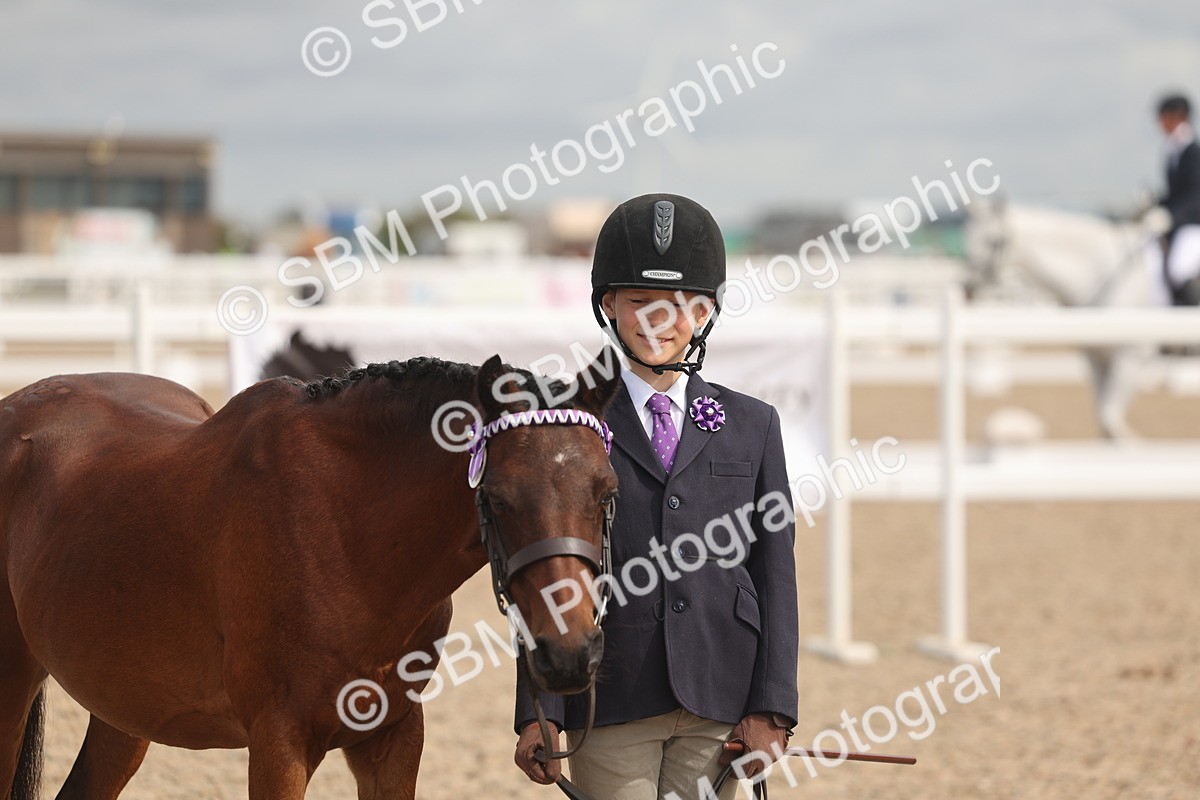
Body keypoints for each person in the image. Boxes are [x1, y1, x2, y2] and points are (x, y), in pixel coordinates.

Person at [512, 193, 799, 799]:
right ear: (608, 305)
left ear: (704, 313)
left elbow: (775, 571)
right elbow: (546, 572)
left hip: (723, 700)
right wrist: (539, 710)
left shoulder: (755, 425)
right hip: (608, 701)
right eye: (639, 303)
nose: (656, 322)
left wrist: (774, 708)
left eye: (677, 306)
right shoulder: (565, 425)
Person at [1155, 93, 1200, 306]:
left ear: (1179, 116)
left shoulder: (1194, 152)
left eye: (1164, 117)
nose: (1160, 124)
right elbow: (1176, 195)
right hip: (1179, 225)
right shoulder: (1173, 152)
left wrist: (1171, 216)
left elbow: (1195, 196)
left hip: (1194, 225)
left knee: (1178, 269)